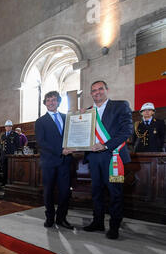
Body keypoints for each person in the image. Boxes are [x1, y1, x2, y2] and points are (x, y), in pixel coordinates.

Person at [83, 81, 133, 240]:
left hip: (113, 156)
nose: (97, 92)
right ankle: (98, 221)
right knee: (96, 192)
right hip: (94, 158)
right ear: (91, 94)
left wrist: (105, 146)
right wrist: (78, 118)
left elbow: (127, 131)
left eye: (100, 89)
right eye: (94, 90)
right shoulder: (88, 111)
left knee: (115, 192)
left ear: (106, 90)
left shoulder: (120, 106)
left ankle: (114, 226)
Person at [35, 91, 74, 229]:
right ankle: (50, 217)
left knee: (65, 191)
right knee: (48, 191)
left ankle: (61, 218)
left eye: (54, 100)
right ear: (45, 103)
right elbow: (41, 142)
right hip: (49, 162)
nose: (51, 102)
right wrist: (60, 150)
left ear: (58, 102)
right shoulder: (40, 121)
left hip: (65, 161)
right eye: (48, 100)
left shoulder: (67, 117)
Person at [0, 120, 21, 186]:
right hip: (4, 155)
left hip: (11, 155)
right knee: (4, 169)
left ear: (11, 127)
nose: (8, 127)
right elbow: (2, 145)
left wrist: (15, 153)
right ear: (5, 127)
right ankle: (4, 182)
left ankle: (11, 182)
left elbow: (18, 145)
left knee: (11, 169)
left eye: (9, 126)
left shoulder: (15, 135)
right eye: (7, 126)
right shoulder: (3, 135)